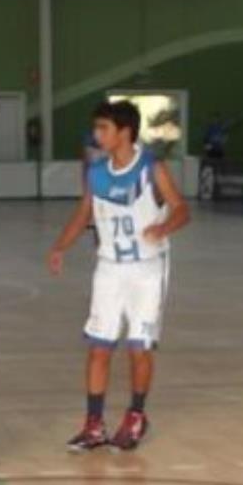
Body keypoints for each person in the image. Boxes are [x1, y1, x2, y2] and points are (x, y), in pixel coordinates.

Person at [48, 100, 191, 452]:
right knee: (99, 348)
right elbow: (85, 213)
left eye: (103, 128)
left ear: (125, 132)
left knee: (138, 348)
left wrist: (164, 228)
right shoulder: (96, 172)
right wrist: (60, 247)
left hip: (147, 270)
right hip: (109, 269)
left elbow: (182, 209)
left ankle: (136, 415)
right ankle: (94, 424)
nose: (96, 134)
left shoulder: (151, 168)